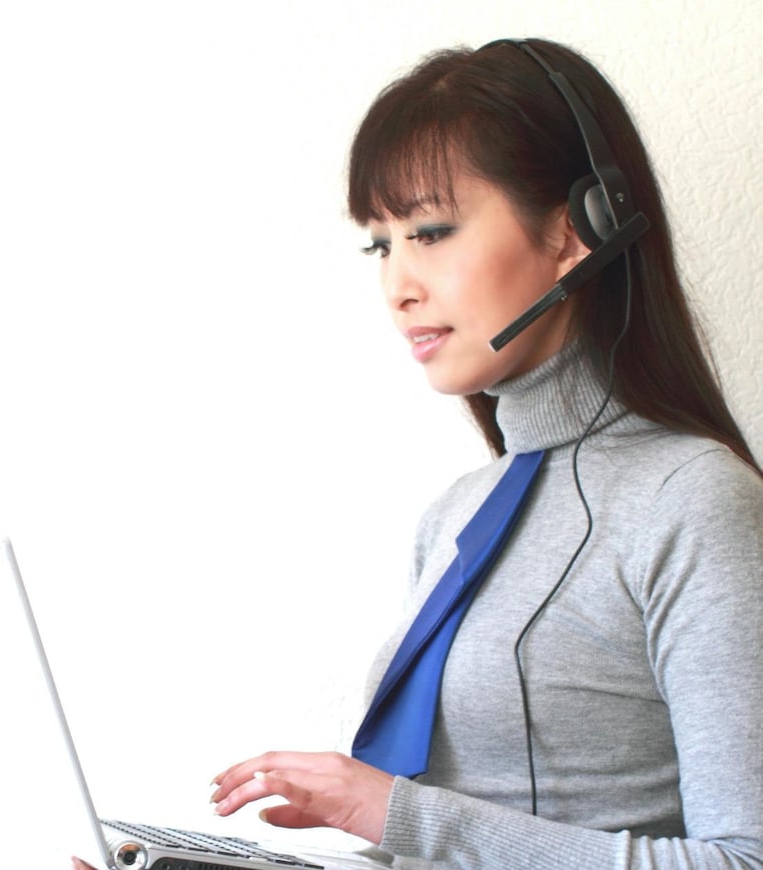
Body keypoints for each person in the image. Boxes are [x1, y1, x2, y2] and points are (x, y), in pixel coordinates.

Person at [73, 37, 763, 870]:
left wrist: (393, 812)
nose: (398, 284)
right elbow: (432, 848)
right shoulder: (458, 516)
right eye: (381, 244)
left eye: (431, 231)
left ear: (581, 230)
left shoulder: (692, 499)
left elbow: (745, 858)